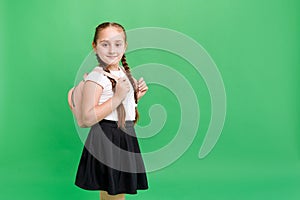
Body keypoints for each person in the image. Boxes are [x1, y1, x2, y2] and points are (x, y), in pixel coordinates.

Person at [74, 22, 149, 200]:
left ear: (125, 45)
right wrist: (117, 98)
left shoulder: (122, 72)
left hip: (124, 134)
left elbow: (122, 112)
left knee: (113, 193)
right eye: (105, 44)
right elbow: (87, 118)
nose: (112, 50)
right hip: (108, 137)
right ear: (95, 46)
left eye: (118, 44)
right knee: (113, 193)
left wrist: (135, 98)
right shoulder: (97, 77)